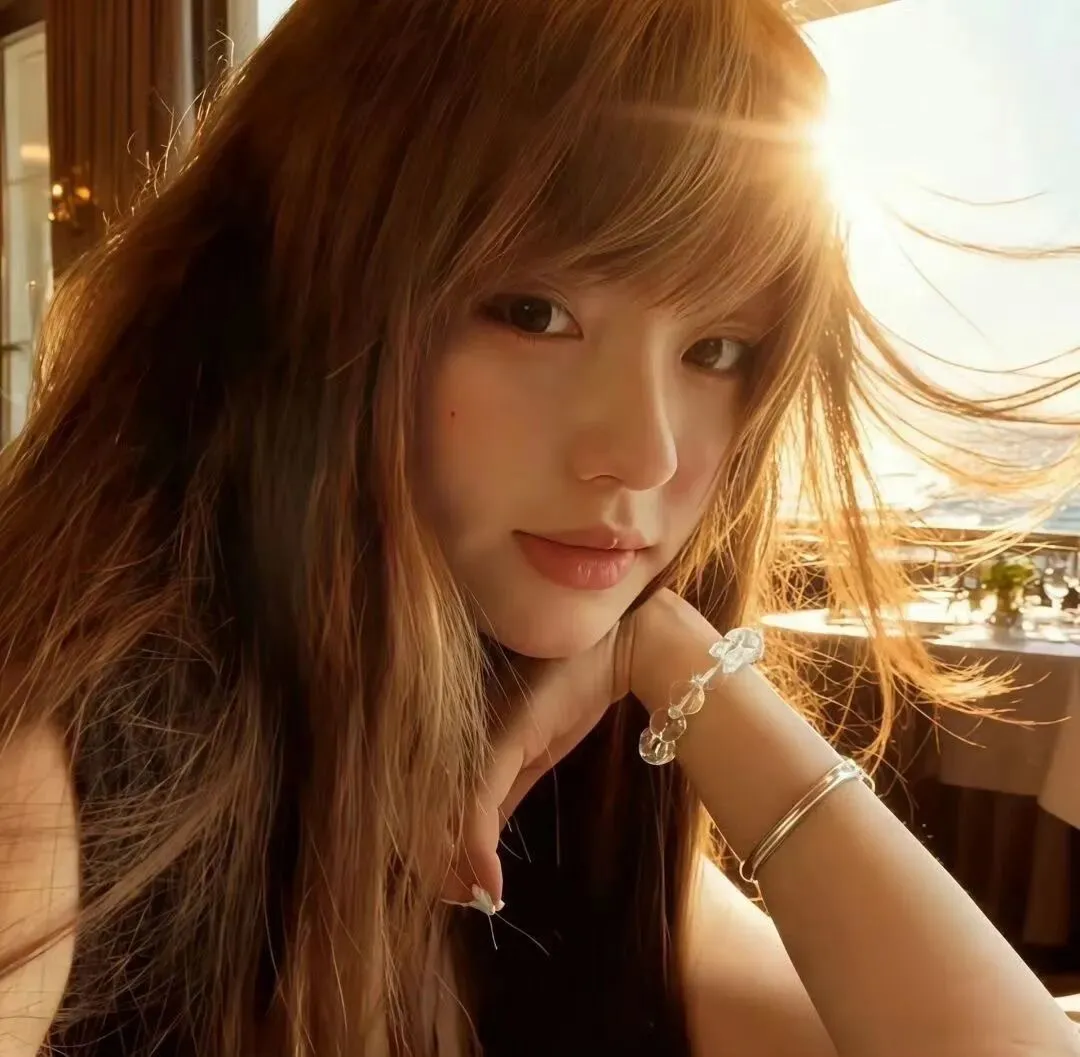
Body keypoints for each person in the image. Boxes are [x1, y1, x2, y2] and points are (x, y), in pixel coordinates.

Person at [0, 0, 1077, 1055]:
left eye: (716, 350)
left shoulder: (536, 765)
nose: (647, 452)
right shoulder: (55, 774)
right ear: (299, 303)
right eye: (535, 314)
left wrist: (686, 667)